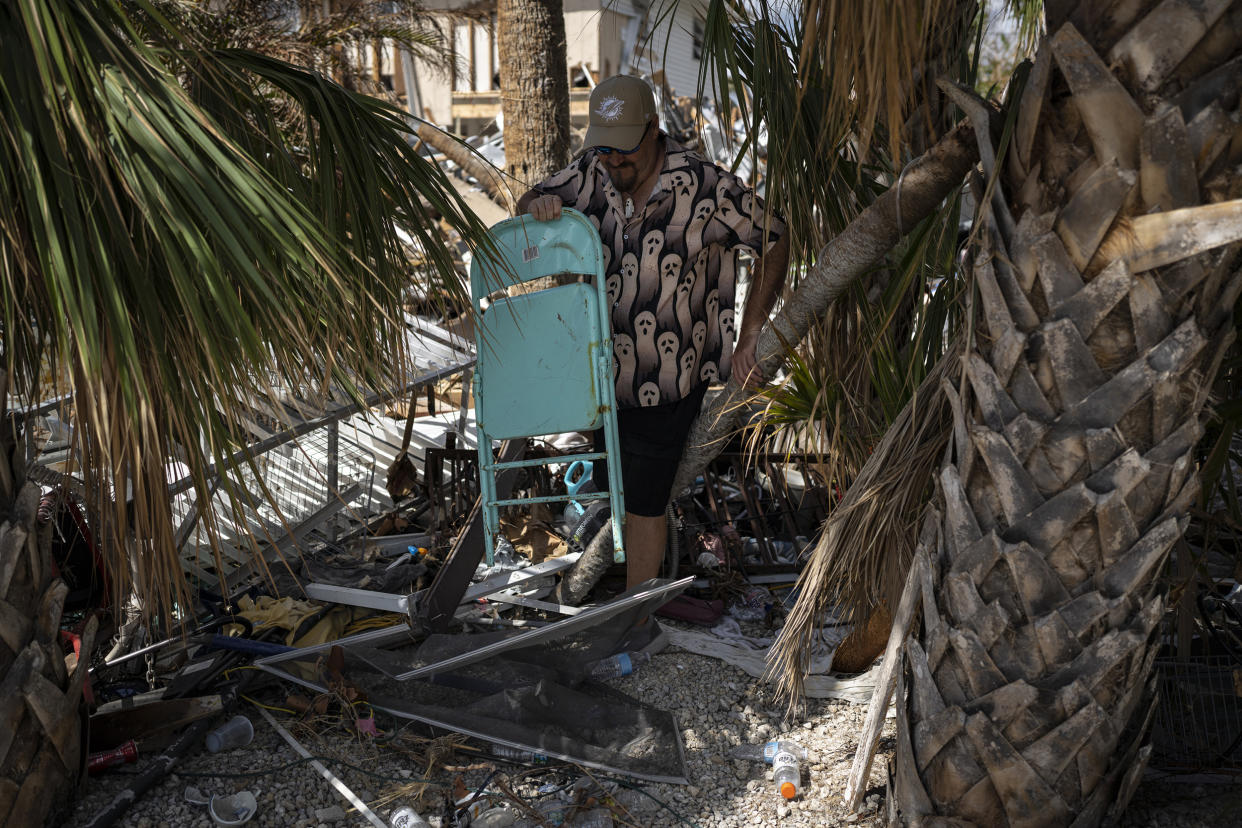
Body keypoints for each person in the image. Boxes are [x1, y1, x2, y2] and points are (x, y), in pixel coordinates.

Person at [516, 75, 789, 606]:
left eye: (624, 150)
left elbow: (775, 236)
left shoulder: (705, 184)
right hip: (600, 376)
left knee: (644, 501)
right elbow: (534, 197)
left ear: (655, 130)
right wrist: (536, 206)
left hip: (669, 375)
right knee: (620, 491)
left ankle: (637, 615)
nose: (614, 162)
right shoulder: (591, 171)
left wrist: (753, 328)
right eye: (604, 148)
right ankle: (629, 594)